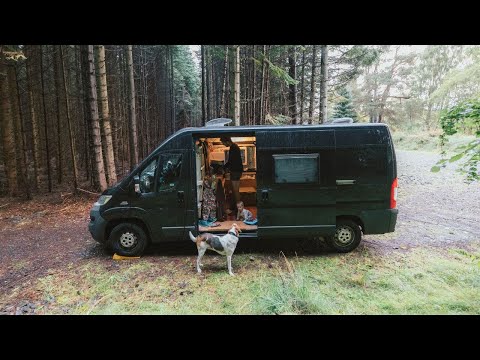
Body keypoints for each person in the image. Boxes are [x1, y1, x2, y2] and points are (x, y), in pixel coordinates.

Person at [221, 136, 243, 213]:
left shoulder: (234, 148)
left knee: (235, 191)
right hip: (236, 171)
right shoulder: (234, 147)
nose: (223, 144)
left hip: (236, 171)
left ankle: (239, 211)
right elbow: (231, 161)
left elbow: (231, 161)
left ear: (227, 141)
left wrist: (223, 167)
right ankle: (235, 209)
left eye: (223, 143)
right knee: (234, 191)